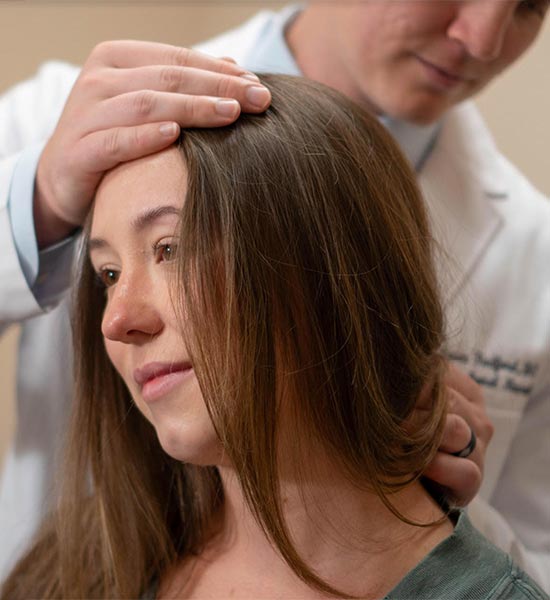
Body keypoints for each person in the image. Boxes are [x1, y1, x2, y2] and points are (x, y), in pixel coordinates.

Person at [0, 0, 548, 586]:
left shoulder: (531, 253)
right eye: (109, 274)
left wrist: (447, 507)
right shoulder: (46, 117)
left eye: (530, 5)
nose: (484, 40)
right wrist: (39, 200)